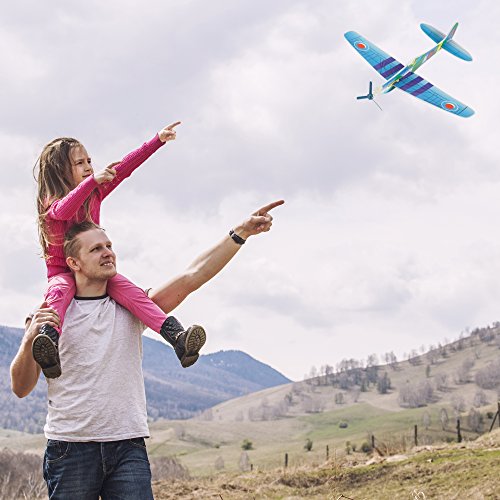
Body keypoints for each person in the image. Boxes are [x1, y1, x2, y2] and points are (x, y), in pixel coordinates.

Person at [10, 199, 283, 499]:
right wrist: (28, 338)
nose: (108, 253)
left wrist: (239, 233)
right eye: (96, 249)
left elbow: (192, 276)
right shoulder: (51, 315)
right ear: (73, 263)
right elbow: (21, 387)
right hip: (70, 448)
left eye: (109, 245)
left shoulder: (131, 307)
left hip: (128, 447)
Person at [32, 122, 206, 378]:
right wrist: (91, 182)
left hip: (94, 269)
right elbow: (65, 210)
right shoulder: (53, 202)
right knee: (59, 292)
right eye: (80, 163)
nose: (89, 166)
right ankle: (49, 347)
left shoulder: (95, 192)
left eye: (89, 160)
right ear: (60, 170)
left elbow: (124, 168)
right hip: (63, 271)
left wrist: (156, 141)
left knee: (133, 294)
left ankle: (177, 338)